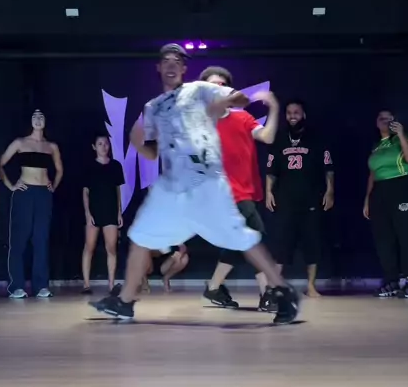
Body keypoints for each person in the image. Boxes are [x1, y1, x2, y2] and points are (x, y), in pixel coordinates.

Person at [91, 43, 298, 324]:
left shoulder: (199, 90)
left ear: (184, 68)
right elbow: (150, 149)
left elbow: (238, 99)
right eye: (166, 60)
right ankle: (125, 302)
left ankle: (283, 292)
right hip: (171, 188)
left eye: (177, 60)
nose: (172, 64)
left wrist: (228, 101)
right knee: (140, 236)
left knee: (240, 236)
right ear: (159, 67)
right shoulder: (153, 107)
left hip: (206, 182)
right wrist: (139, 144)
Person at [199, 66, 279, 309]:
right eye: (213, 85)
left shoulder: (242, 118)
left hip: (247, 191)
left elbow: (267, 137)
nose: (218, 89)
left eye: (223, 85)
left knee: (241, 243)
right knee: (254, 239)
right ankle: (267, 294)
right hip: (224, 195)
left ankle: (214, 287)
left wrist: (274, 108)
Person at [266, 100, 334, 298]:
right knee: (282, 244)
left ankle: (311, 286)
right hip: (285, 200)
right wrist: (268, 192)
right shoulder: (279, 139)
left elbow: (328, 168)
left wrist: (330, 191)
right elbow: (271, 170)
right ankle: (275, 286)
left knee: (312, 244)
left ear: (303, 114)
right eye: (289, 113)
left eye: (296, 112)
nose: (292, 116)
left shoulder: (316, 139)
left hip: (311, 200)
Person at [0, 109, 63, 299]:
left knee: (41, 239)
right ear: (30, 121)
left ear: (45, 121)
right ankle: (16, 286)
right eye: (34, 116)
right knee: (19, 239)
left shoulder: (51, 146)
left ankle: (41, 285)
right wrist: (11, 185)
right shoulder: (20, 142)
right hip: (25, 193)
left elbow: (60, 170)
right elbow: (0, 163)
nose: (38, 119)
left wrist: (53, 186)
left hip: (43, 194)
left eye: (41, 116)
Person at [364, 110, 408, 299]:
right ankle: (391, 280)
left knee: (406, 235)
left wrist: (401, 135)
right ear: (376, 123)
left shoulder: (406, 138)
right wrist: (367, 199)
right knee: (383, 238)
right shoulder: (376, 146)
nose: (385, 121)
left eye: (389, 118)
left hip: (401, 186)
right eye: (382, 118)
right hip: (379, 191)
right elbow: (372, 174)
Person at [81, 133, 124, 294]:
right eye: (100, 144)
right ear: (94, 147)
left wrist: (119, 212)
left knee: (111, 248)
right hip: (94, 211)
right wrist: (88, 213)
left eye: (106, 143)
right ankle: (86, 284)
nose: (103, 146)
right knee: (89, 247)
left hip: (110, 211)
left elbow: (117, 190)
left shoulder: (116, 166)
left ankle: (111, 285)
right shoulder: (89, 167)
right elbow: (85, 192)